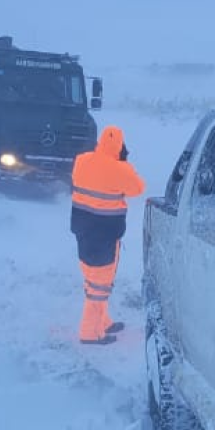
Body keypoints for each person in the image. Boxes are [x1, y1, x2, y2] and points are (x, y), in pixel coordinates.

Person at [70, 125, 144, 345]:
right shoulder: (120, 170)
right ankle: (89, 333)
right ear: (119, 146)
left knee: (93, 280)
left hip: (83, 231)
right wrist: (123, 163)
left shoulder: (82, 160)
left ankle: (103, 322)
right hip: (105, 236)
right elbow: (138, 188)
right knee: (99, 286)